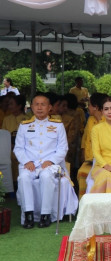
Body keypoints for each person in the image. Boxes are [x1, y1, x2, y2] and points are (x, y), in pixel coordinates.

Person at [14, 92, 68, 229]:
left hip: (49, 165)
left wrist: (51, 161)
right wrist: (26, 161)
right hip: (30, 164)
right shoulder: (24, 126)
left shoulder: (58, 125)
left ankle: (46, 215)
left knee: (45, 176)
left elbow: (63, 148)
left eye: (43, 104)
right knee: (23, 178)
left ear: (49, 107)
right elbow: (18, 148)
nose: (39, 107)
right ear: (31, 107)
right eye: (36, 104)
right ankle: (28, 215)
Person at [2, 95, 28, 186]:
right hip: (10, 151)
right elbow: (4, 137)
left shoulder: (28, 119)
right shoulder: (6, 119)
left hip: (25, 151)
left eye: (11, 104)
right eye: (9, 104)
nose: (9, 106)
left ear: (19, 106)